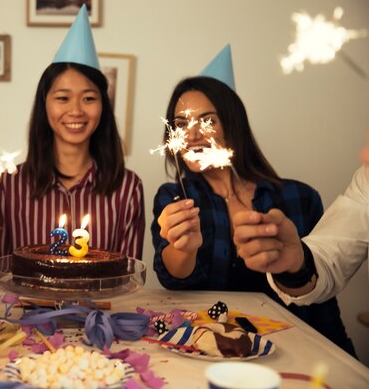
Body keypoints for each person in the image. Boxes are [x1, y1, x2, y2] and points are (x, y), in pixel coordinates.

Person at [150, 46, 355, 355]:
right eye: (181, 124)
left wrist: (343, 360)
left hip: (292, 352)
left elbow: (322, 300)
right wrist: (185, 249)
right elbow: (174, 282)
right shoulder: (174, 197)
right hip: (206, 351)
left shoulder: (299, 197)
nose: (191, 136)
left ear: (234, 125)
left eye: (207, 121)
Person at [0, 5, 144, 264]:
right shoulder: (8, 186)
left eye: (89, 98)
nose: (76, 110)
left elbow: (127, 278)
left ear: (103, 106)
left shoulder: (127, 189)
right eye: (63, 98)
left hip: (101, 307)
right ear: (44, 104)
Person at [234, 129, 369, 306]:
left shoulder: (298, 194)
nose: (364, 156)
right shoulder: (366, 181)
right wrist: (297, 265)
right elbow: (330, 260)